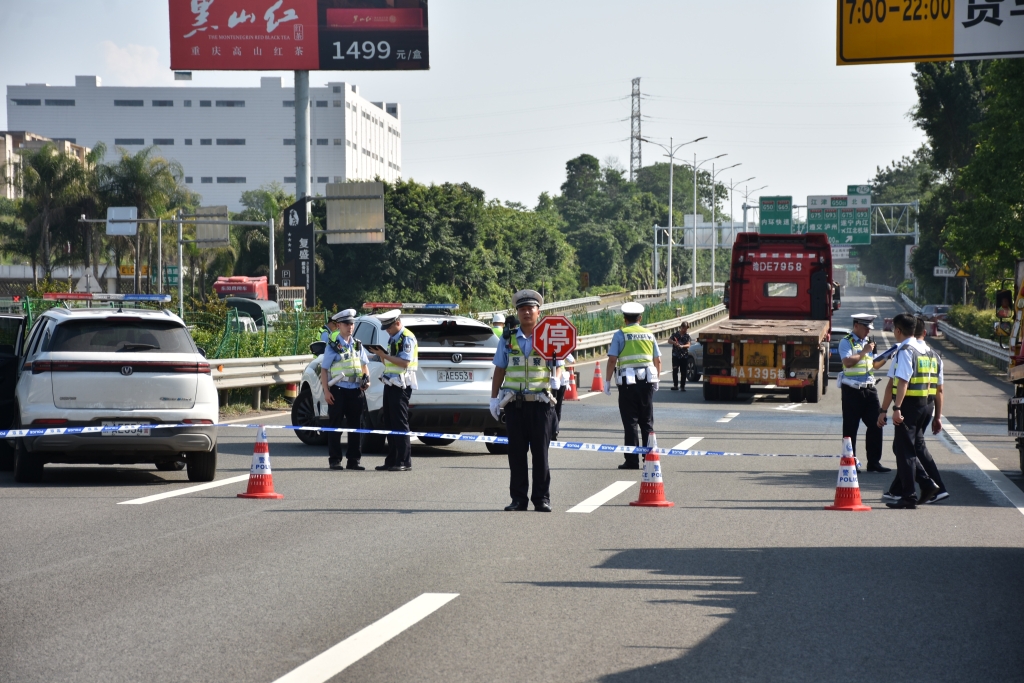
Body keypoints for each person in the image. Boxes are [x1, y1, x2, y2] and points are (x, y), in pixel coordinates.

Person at [489, 289, 560, 512]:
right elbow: (500, 369)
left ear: (539, 311)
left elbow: (561, 364)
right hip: (514, 404)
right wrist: (493, 398)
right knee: (516, 455)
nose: (527, 312)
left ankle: (541, 499)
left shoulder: (550, 336)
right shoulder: (508, 338)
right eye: (522, 309)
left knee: (541, 454)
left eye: (531, 308)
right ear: (517, 313)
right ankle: (518, 499)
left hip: (541, 404)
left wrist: (558, 379)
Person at [878, 315, 949, 503]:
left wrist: (896, 408)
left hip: (910, 405)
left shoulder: (905, 351)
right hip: (927, 406)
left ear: (898, 331)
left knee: (905, 451)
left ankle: (912, 492)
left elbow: (902, 382)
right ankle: (908, 489)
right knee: (908, 447)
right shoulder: (933, 354)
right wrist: (937, 416)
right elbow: (940, 388)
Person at [604, 302, 662, 469]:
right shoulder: (649, 334)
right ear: (640, 318)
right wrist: (656, 378)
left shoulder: (620, 334)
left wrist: (607, 381)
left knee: (630, 422)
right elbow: (657, 359)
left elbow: (612, 359)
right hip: (647, 383)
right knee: (647, 421)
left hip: (628, 384)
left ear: (624, 318)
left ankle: (631, 460)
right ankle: (648, 457)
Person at [837, 313, 891, 473]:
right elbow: (847, 362)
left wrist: (887, 357)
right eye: (866, 327)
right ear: (856, 326)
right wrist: (864, 351)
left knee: (877, 424)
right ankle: (850, 463)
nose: (868, 331)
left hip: (869, 389)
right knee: (850, 428)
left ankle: (874, 462)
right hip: (852, 391)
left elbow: (874, 365)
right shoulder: (846, 341)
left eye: (870, 328)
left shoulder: (869, 342)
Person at [368, 309, 418, 472]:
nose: (387, 331)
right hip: (390, 383)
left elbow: (404, 362)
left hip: (401, 385)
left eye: (389, 327)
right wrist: (380, 354)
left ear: (398, 323)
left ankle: (404, 461)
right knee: (389, 422)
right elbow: (389, 362)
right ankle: (392, 460)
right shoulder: (393, 338)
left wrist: (385, 355)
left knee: (399, 423)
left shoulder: (407, 337)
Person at [320, 309, 370, 470]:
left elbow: (364, 365)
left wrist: (366, 380)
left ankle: (354, 460)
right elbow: (324, 369)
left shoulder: (357, 344)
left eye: (352, 323)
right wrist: (326, 391)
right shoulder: (333, 346)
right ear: (339, 325)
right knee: (335, 426)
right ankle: (335, 460)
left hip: (355, 390)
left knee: (356, 427)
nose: (351, 327)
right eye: (347, 324)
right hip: (339, 390)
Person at [554, 352, 576, 437]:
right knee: (557, 406)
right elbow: (573, 361)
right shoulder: (562, 347)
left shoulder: (545, 345)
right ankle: (555, 429)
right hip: (561, 380)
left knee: (551, 406)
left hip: (553, 380)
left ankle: (552, 429)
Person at [668, 321, 691, 391]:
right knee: (675, 370)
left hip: (684, 356)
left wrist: (682, 346)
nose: (685, 330)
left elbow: (688, 345)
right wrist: (674, 342)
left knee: (683, 371)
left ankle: (682, 386)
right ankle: (675, 385)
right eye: (684, 328)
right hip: (675, 355)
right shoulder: (675, 334)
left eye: (686, 329)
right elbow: (669, 340)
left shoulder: (687, 336)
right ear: (681, 327)